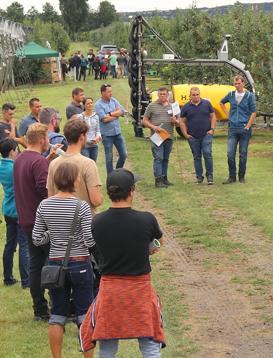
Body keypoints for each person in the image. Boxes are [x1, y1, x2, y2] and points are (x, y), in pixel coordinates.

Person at [80, 168, 165, 357]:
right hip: (140, 289)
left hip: (110, 290)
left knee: (108, 347)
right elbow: (158, 240)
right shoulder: (147, 219)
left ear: (109, 194)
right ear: (131, 191)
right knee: (150, 346)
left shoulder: (98, 221)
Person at [32, 162, 96, 358]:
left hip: (55, 266)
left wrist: (52, 235)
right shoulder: (82, 206)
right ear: (74, 180)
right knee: (85, 316)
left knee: (57, 315)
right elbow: (89, 240)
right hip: (81, 265)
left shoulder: (44, 205)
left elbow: (37, 239)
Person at [13, 122, 63, 322]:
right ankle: (59, 307)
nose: (49, 141)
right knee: (55, 264)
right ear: (42, 140)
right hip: (43, 224)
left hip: (26, 221)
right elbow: (45, 191)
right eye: (48, 138)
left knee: (35, 265)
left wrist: (47, 159)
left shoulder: (20, 158)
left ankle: (39, 309)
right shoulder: (38, 162)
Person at [47, 118, 104, 216]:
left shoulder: (53, 164)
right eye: (86, 135)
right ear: (82, 136)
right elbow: (96, 201)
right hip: (85, 224)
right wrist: (101, 196)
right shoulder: (88, 163)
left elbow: (50, 197)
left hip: (63, 222)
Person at [0, 137, 29, 288]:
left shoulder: (1, 166)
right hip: (18, 210)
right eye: (17, 149)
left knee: (10, 245)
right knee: (24, 245)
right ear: (12, 152)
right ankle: (26, 280)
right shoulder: (15, 168)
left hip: (8, 210)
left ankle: (8, 277)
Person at [220, 75, 256, 184]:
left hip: (244, 128)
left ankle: (241, 176)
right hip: (233, 128)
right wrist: (228, 115)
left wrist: (248, 125)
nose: (237, 86)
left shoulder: (249, 96)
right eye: (235, 84)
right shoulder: (231, 94)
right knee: (230, 153)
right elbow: (221, 103)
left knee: (243, 153)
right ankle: (232, 176)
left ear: (243, 84)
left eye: (239, 83)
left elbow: (254, 112)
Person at [179, 86, 216, 185]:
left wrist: (212, 129)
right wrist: (185, 134)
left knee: (207, 154)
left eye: (197, 94)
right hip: (193, 136)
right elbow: (182, 122)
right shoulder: (186, 107)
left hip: (206, 134)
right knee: (197, 157)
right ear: (190, 95)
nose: (196, 97)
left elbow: (213, 117)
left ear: (200, 94)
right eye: (194, 95)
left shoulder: (207, 104)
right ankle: (199, 177)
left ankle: (210, 176)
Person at [142, 87, 177, 188]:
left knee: (166, 158)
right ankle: (158, 180)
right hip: (157, 136)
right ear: (158, 95)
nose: (162, 96)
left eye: (164, 94)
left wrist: (176, 121)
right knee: (158, 158)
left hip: (168, 136)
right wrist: (153, 127)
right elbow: (144, 120)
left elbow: (178, 122)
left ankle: (164, 177)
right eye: (160, 94)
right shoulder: (151, 106)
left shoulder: (172, 107)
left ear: (168, 95)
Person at [96, 84, 128, 175]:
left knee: (124, 154)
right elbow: (104, 119)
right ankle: (110, 177)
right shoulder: (98, 105)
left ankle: (117, 173)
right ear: (103, 93)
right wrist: (116, 114)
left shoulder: (114, 100)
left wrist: (110, 114)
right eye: (108, 91)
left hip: (117, 133)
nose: (111, 93)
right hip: (107, 135)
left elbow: (122, 111)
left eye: (111, 91)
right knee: (109, 157)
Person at [81, 98, 101, 162]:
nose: (90, 105)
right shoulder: (80, 117)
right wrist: (89, 141)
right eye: (88, 103)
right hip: (85, 146)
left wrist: (98, 137)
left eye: (91, 103)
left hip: (94, 146)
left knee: (93, 164)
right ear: (84, 106)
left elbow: (98, 130)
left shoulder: (96, 116)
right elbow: (80, 133)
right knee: (87, 164)